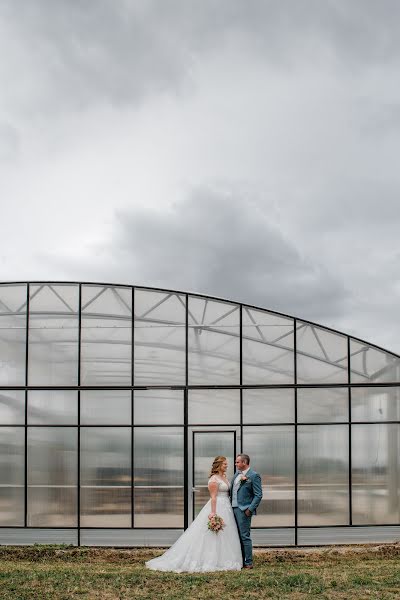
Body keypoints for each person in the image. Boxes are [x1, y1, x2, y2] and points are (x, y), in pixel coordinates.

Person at [145, 456, 242, 572]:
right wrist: (213, 513)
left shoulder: (224, 477)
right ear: (219, 465)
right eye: (225, 464)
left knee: (226, 533)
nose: (227, 466)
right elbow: (213, 497)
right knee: (212, 534)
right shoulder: (214, 479)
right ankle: (209, 559)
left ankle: (225, 558)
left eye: (227, 464)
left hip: (227, 507)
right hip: (218, 506)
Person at [231, 454, 263, 569]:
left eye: (237, 462)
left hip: (244, 510)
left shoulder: (254, 476)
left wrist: (250, 509)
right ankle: (240, 560)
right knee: (237, 536)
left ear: (244, 462)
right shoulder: (236, 475)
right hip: (232, 509)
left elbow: (258, 495)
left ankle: (248, 562)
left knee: (245, 536)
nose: (236, 464)